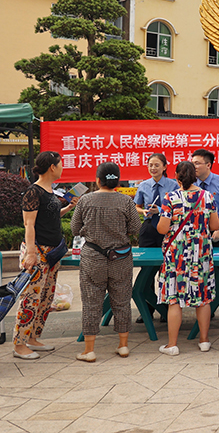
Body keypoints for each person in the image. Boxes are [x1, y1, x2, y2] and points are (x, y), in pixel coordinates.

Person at [71, 162, 141, 362]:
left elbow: (74, 228)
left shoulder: (85, 200)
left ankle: (89, 350)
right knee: (122, 301)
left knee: (91, 302)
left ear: (97, 180)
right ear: (118, 181)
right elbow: (136, 228)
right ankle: (123, 345)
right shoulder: (126, 202)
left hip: (92, 257)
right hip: (121, 258)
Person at [13, 151, 77, 360]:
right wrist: (31, 253)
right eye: (61, 164)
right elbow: (29, 224)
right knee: (31, 298)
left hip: (52, 253)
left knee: (46, 298)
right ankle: (19, 344)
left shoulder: (50, 190)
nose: (62, 168)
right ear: (52, 167)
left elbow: (50, 216)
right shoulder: (33, 192)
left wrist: (68, 208)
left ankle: (33, 337)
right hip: (38, 252)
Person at [156, 161, 219, 356]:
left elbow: (162, 228)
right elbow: (214, 225)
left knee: (175, 298)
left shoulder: (171, 198)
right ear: (195, 176)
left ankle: (172, 344)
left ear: (176, 176)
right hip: (201, 254)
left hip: (177, 255)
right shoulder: (207, 196)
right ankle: (204, 341)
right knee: (203, 298)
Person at [133, 153, 179, 323]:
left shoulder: (173, 185)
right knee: (147, 269)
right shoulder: (143, 185)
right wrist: (144, 211)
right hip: (148, 228)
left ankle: (166, 308)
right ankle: (148, 308)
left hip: (166, 228)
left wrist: (160, 210)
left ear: (165, 167)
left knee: (166, 268)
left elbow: (177, 208)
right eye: (150, 165)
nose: (153, 168)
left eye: (157, 165)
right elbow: (137, 206)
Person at [192, 148, 219, 301]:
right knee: (201, 271)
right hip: (198, 233)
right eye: (192, 163)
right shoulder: (191, 184)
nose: (194, 166)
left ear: (208, 165)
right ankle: (207, 304)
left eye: (197, 163)